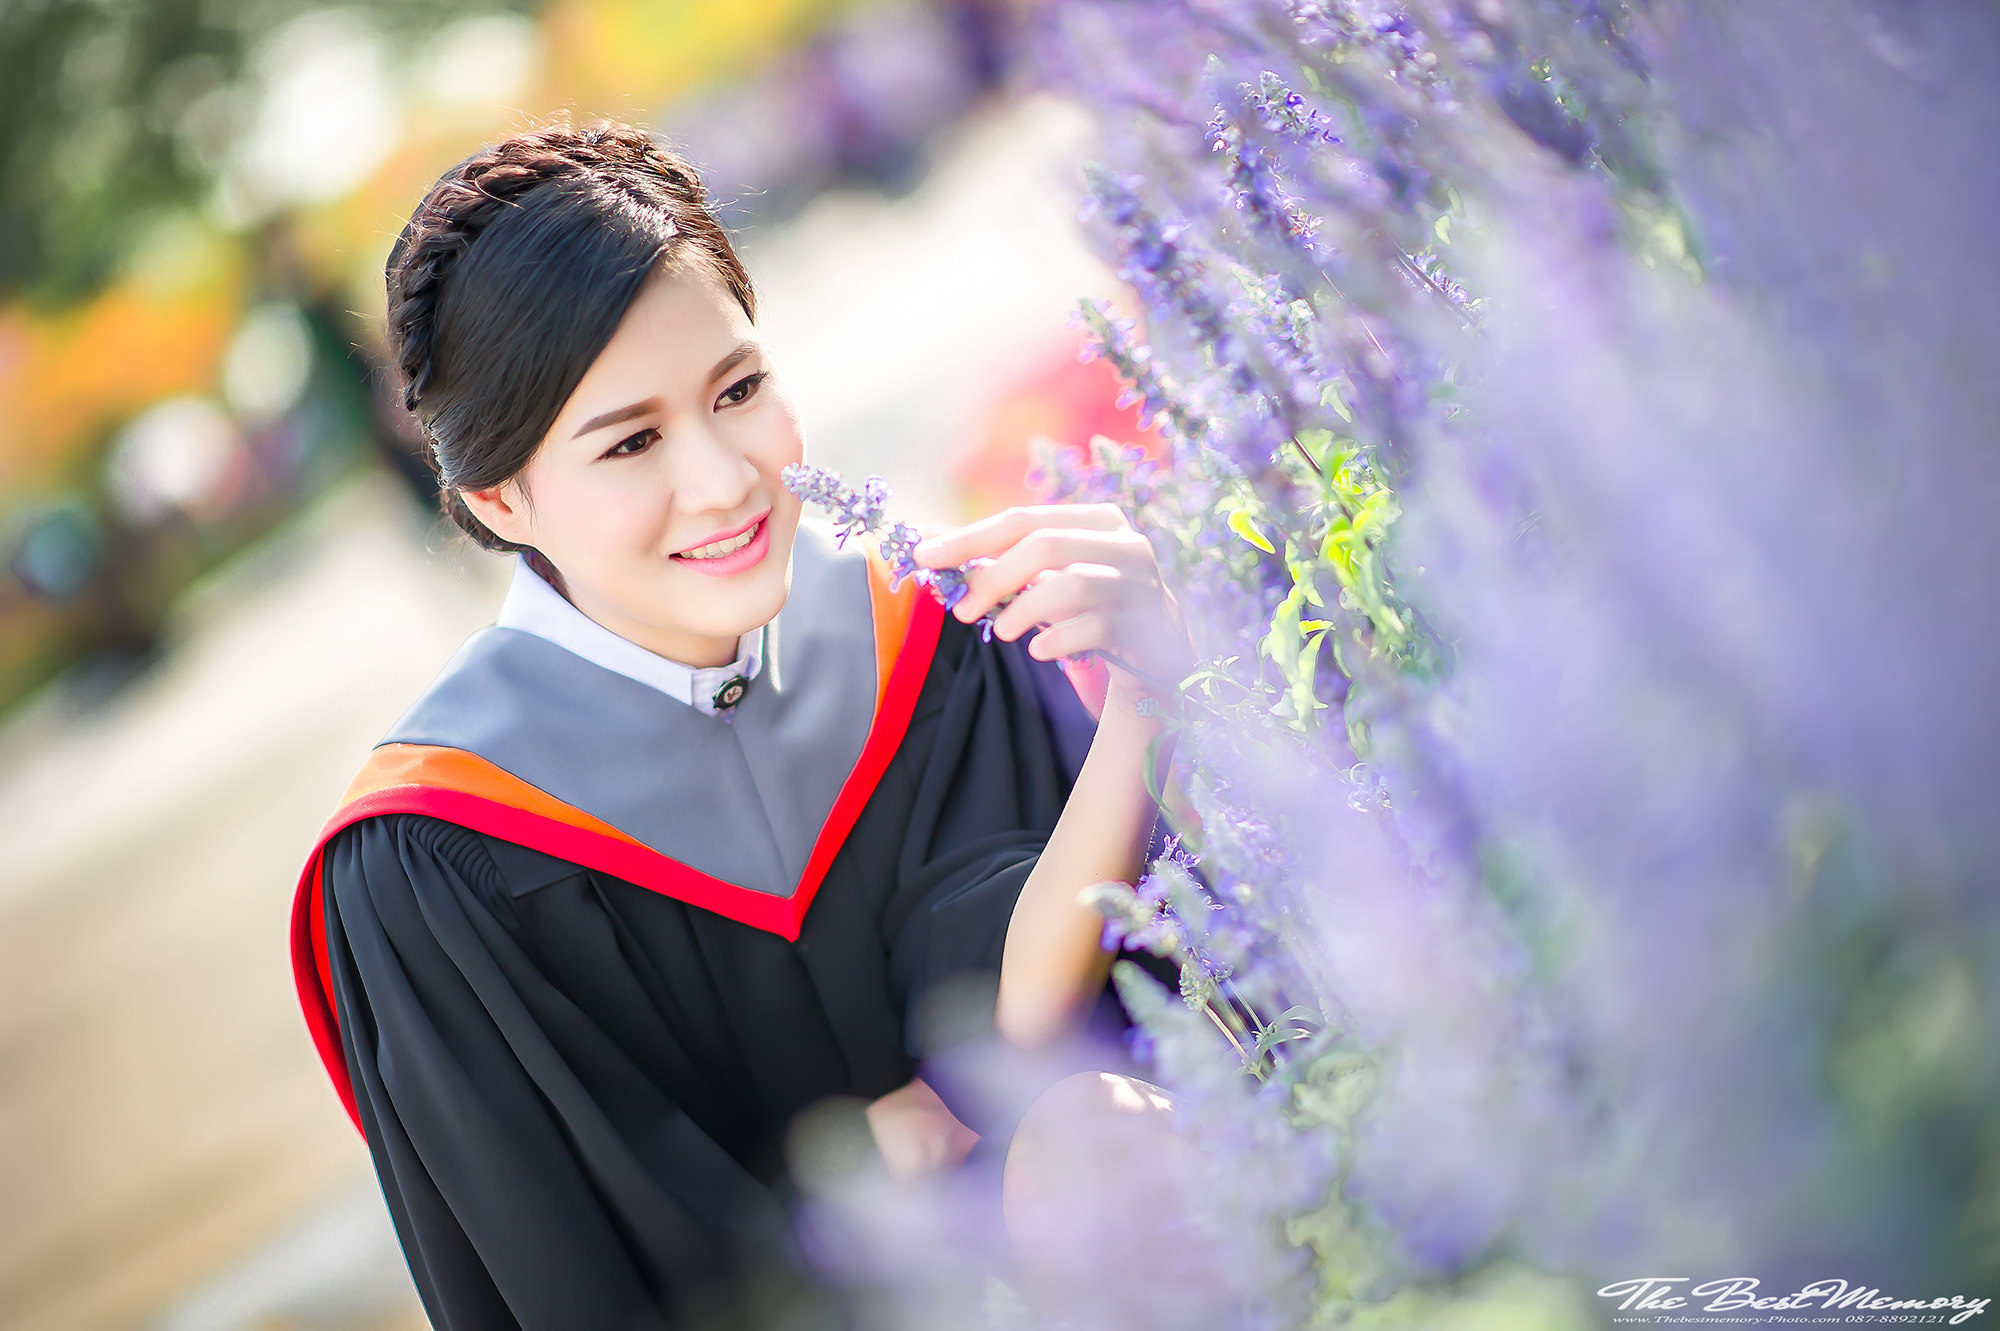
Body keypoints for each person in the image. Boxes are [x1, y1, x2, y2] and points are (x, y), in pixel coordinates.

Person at [288, 120, 1192, 1329]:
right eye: (630, 441)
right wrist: (877, 1176)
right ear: (499, 497)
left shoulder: (916, 639)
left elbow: (1029, 1007)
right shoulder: (429, 860)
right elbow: (600, 1272)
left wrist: (1151, 682)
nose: (722, 481)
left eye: (739, 389)